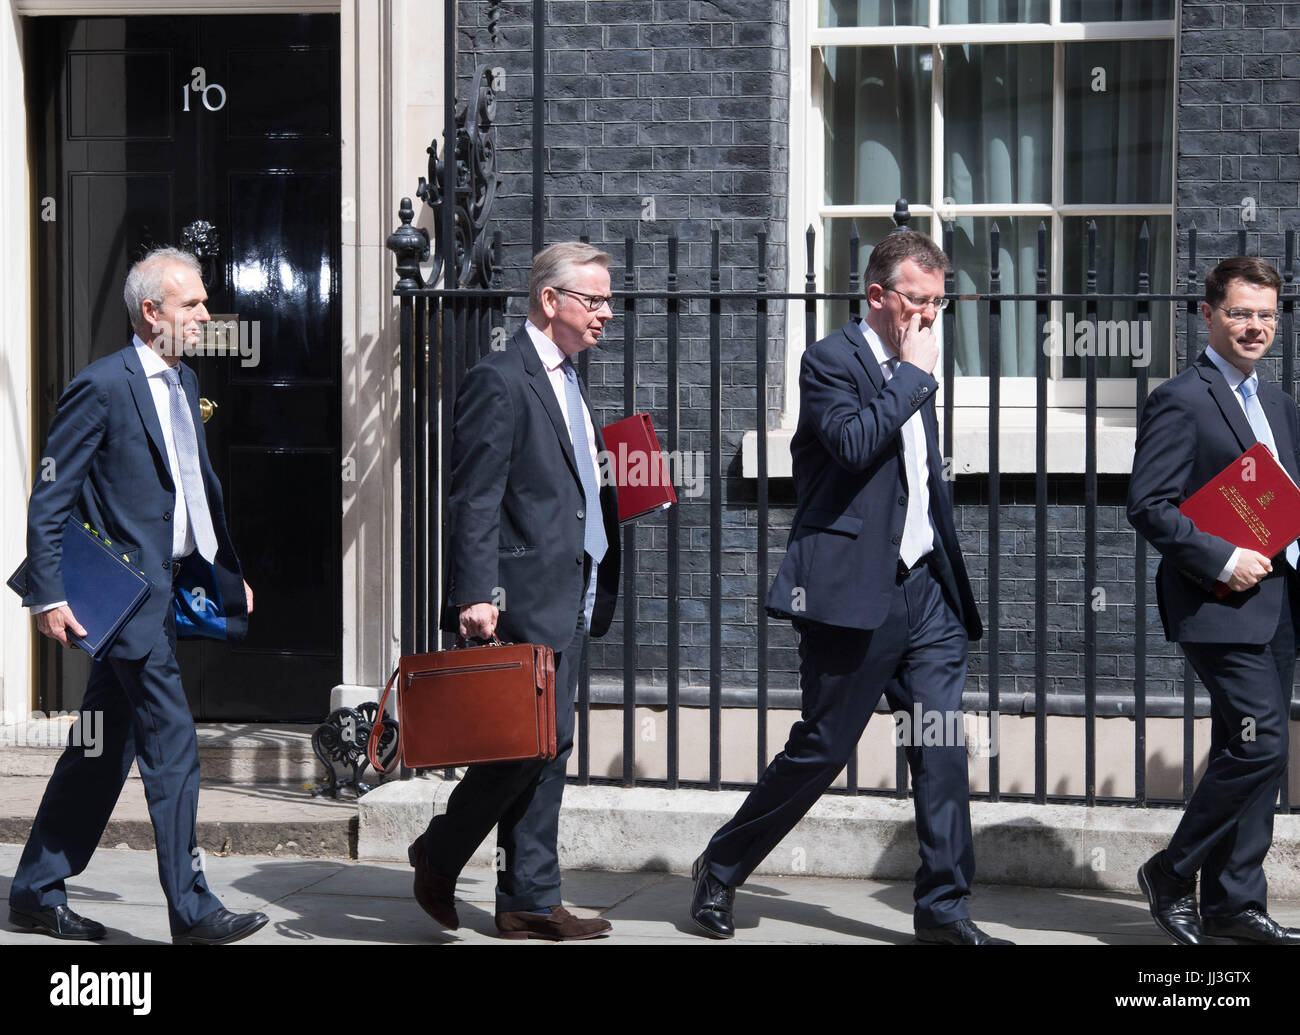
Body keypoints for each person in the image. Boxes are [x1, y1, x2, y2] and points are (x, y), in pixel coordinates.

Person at [689, 230, 1010, 945]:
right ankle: (722, 861)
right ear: (876, 295)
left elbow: (917, 477)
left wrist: (913, 374)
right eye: (918, 301)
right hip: (853, 593)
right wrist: (911, 376)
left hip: (927, 588)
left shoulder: (916, 363)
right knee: (824, 748)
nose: (931, 316)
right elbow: (856, 444)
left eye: (939, 302)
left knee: (942, 743)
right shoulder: (830, 362)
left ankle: (945, 909)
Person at [8, 247, 264, 945]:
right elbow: (51, 497)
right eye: (193, 305)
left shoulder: (184, 385)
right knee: (173, 744)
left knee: (100, 748)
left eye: (204, 304)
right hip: (123, 602)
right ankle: (192, 908)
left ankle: (33, 888)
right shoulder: (104, 385)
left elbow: (188, 492)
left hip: (167, 589)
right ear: (151, 312)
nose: (206, 315)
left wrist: (217, 571)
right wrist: (48, 595)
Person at [407, 241, 620, 940]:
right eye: (594, 299)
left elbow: (561, 484)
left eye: (608, 300)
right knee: (525, 744)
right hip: (520, 591)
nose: (606, 314)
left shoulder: (569, 379)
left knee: (551, 744)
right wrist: (476, 592)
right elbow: (474, 496)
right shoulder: (502, 376)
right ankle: (439, 852)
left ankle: (529, 895)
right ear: (550, 301)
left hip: (574, 585)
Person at [1128, 255, 1300, 945]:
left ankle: (1234, 901)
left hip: (1283, 600)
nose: (1253, 326)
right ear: (1207, 315)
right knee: (1264, 741)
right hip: (1218, 603)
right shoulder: (1182, 397)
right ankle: (1171, 873)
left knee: (1249, 744)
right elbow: (1148, 504)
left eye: (1265, 313)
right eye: (1239, 312)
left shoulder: (1282, 405)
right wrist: (1221, 554)